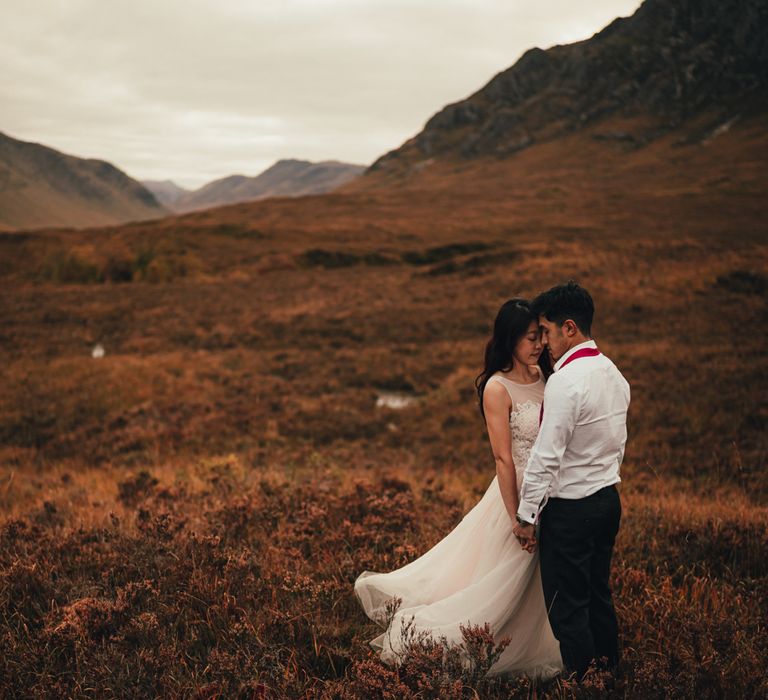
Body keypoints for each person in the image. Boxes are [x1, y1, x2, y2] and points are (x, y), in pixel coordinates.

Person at [354, 298, 563, 679]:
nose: (538, 345)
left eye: (540, 337)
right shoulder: (498, 389)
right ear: (510, 340)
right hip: (515, 495)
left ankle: (528, 642)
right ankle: (473, 644)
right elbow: (504, 458)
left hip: (554, 492)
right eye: (531, 338)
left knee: (536, 582)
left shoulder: (547, 378)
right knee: (504, 580)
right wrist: (519, 514)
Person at [512, 281, 630, 681]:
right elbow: (617, 442)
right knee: (599, 595)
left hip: (571, 510)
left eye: (545, 331)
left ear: (568, 328)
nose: (543, 342)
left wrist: (526, 515)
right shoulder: (613, 372)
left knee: (568, 608)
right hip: (607, 501)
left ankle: (584, 684)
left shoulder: (566, 380)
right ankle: (609, 675)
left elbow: (546, 456)